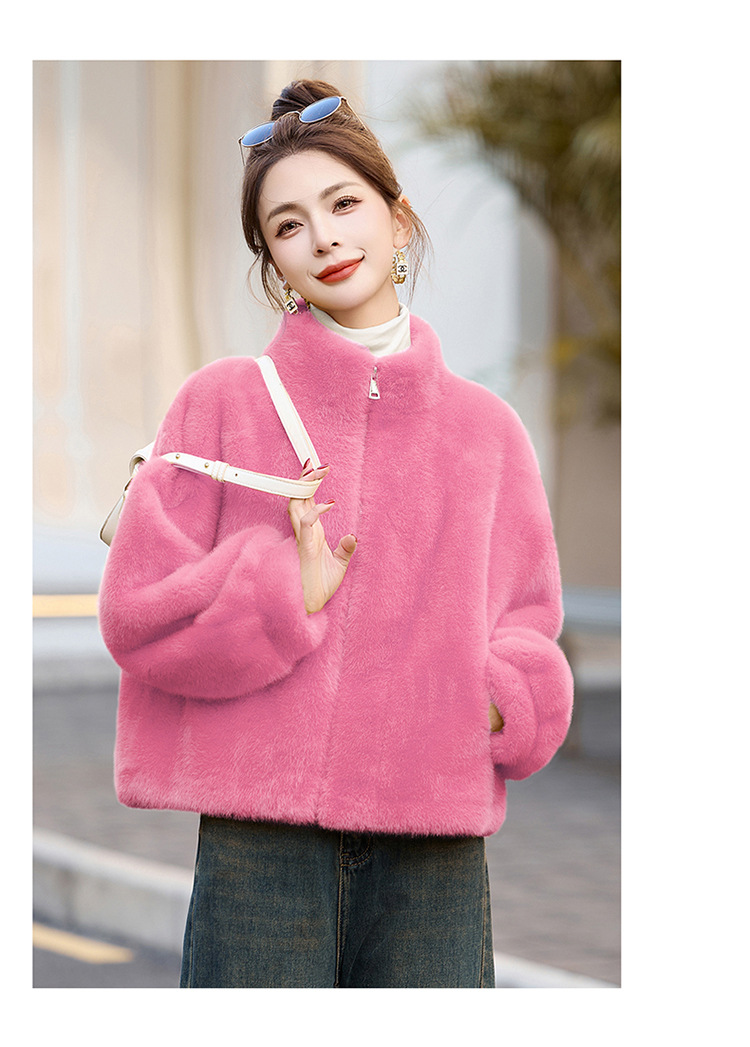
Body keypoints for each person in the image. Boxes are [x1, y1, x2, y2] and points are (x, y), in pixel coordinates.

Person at [98, 79, 574, 989]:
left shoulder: (487, 431)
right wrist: (282, 590)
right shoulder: (221, 402)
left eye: (343, 203)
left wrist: (495, 705)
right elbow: (138, 618)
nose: (322, 237)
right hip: (261, 845)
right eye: (288, 225)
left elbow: (527, 620)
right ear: (274, 263)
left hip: (432, 849)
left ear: (398, 219)